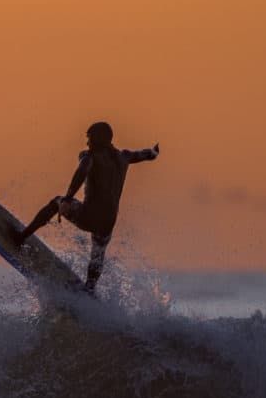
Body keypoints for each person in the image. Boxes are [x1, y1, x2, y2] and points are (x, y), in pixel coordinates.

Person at [11, 122, 159, 295]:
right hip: (108, 222)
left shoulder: (90, 157)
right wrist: (154, 151)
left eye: (89, 138)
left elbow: (82, 172)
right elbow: (145, 154)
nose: (87, 143)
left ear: (97, 140)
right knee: (98, 252)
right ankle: (90, 288)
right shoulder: (123, 157)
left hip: (88, 216)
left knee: (55, 202)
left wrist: (67, 199)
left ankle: (21, 237)